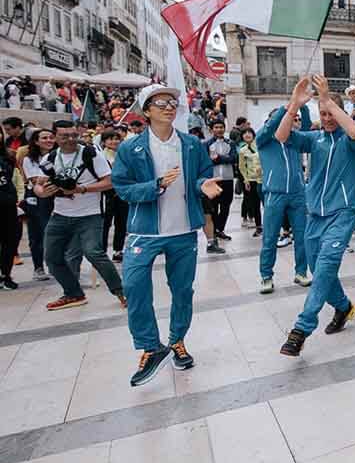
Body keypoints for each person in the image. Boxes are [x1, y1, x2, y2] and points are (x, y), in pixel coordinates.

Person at [112, 85, 223, 386]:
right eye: (160, 103)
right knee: (134, 288)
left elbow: (203, 172)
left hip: (183, 230)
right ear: (146, 111)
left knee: (183, 290)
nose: (169, 107)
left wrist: (203, 185)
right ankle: (151, 347)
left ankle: (177, 341)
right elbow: (121, 188)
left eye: (172, 102)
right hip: (143, 231)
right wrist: (155, 185)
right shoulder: (130, 148)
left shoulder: (190, 144)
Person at [277, 75, 355, 357]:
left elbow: (354, 132)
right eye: (323, 113)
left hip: (343, 213)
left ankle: (300, 330)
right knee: (320, 271)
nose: (327, 118)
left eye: (331, 113)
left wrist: (328, 99)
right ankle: (343, 307)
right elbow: (281, 136)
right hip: (314, 215)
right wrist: (293, 106)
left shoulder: (351, 140)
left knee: (325, 267)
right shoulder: (315, 139)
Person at [31, 120, 125, 311]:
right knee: (52, 258)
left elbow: (110, 182)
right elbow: (38, 184)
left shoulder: (90, 154)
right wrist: (42, 192)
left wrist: (81, 189)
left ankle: (121, 292)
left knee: (94, 253)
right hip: (60, 215)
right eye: (65, 136)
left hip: (90, 215)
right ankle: (73, 293)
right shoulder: (49, 159)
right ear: (55, 137)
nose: (71, 140)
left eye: (74, 135)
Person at [256, 104, 313, 294]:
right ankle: (266, 276)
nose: (289, 121)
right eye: (287, 118)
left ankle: (301, 272)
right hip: (274, 193)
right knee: (270, 237)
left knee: (302, 235)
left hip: (297, 193)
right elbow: (273, 125)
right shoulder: (264, 139)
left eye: (292, 118)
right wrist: (287, 108)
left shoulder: (294, 140)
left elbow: (306, 126)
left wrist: (302, 106)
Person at [19, 129, 53, 281]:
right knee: (37, 234)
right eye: (44, 138)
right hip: (36, 200)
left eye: (51, 137)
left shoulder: (59, 156)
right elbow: (36, 180)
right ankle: (38, 267)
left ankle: (56, 265)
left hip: (56, 197)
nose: (48, 140)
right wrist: (53, 179)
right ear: (36, 141)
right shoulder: (29, 159)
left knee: (56, 234)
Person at [201, 120, 237, 241]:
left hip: (228, 178)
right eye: (216, 127)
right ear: (211, 129)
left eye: (221, 127)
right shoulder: (207, 144)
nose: (219, 129)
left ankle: (220, 229)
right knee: (213, 207)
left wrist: (218, 158)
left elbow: (233, 158)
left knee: (226, 205)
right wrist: (222, 159)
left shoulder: (230, 143)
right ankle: (214, 230)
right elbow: (205, 160)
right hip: (213, 180)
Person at [100, 130, 129, 262]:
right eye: (110, 139)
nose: (114, 141)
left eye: (116, 139)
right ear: (104, 141)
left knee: (121, 222)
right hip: (106, 193)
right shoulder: (100, 156)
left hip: (122, 192)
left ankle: (118, 250)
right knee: (105, 223)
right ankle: (102, 250)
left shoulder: (124, 155)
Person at [238, 128, 262, 238]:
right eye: (244, 133)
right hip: (252, 181)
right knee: (255, 205)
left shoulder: (260, 145)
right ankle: (259, 227)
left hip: (264, 180)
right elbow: (242, 167)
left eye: (249, 133)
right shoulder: (242, 150)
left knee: (268, 204)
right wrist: (246, 180)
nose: (247, 135)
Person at [0, 149, 18, 290]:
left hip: (8, 206)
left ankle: (6, 275)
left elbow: (16, 179)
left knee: (10, 241)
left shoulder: (8, 157)